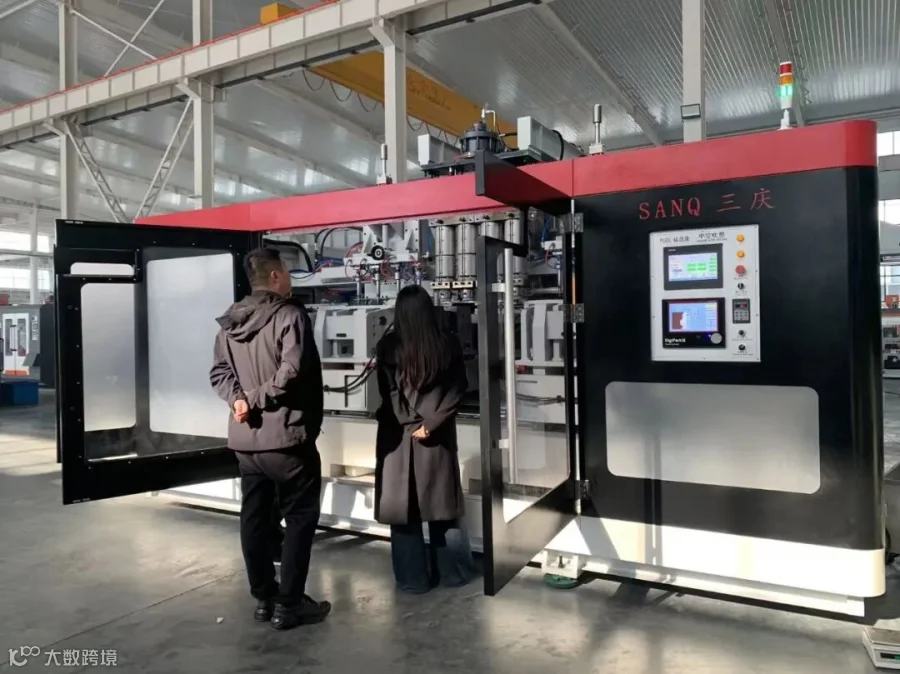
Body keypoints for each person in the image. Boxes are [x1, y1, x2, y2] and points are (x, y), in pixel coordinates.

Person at [209, 247, 330, 630]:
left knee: (255, 518)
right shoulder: (290, 315)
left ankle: (264, 597)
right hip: (287, 438)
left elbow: (218, 373)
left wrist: (239, 400)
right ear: (275, 276)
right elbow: (292, 370)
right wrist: (254, 399)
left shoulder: (230, 320)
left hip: (246, 442)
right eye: (288, 272)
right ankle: (289, 604)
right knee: (299, 517)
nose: (291, 278)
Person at [374, 285, 478, 593]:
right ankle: (454, 574)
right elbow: (459, 387)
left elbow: (389, 393)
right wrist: (431, 423)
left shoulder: (388, 347)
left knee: (403, 513)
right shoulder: (448, 344)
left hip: (398, 435)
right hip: (437, 436)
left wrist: (410, 423)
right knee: (443, 508)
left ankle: (412, 580)